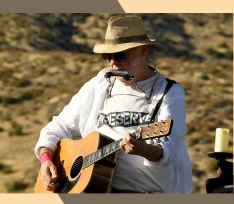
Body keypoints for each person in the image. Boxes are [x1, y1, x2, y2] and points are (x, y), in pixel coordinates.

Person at [34, 15, 193, 193]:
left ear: (143, 51)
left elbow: (167, 149)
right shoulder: (99, 84)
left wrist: (143, 149)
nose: (112, 63)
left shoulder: (168, 91)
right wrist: (46, 159)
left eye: (120, 56)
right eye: (107, 56)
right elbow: (57, 128)